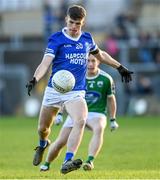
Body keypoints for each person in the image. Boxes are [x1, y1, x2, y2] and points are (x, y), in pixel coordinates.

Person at [26, 4, 133, 174]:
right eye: (72, 22)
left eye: (78, 24)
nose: (74, 27)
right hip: (55, 89)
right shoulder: (56, 39)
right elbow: (45, 62)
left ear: (83, 23)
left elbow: (101, 55)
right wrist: (35, 79)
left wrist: (120, 67)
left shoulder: (87, 39)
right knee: (43, 129)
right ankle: (43, 144)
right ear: (66, 20)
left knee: (80, 120)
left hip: (75, 91)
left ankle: (67, 161)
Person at [40, 54, 119, 172]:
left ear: (99, 62)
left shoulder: (106, 78)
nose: (91, 64)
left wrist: (113, 119)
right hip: (76, 113)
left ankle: (89, 161)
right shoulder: (74, 77)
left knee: (99, 128)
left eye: (93, 61)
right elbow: (64, 95)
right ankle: (46, 163)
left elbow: (111, 99)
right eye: (88, 61)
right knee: (60, 142)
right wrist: (60, 114)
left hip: (96, 113)